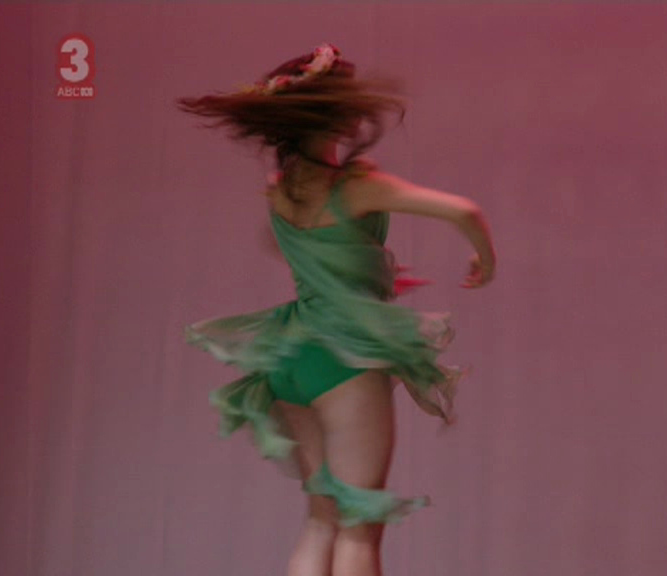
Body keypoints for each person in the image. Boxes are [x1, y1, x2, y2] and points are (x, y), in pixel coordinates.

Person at [177, 44, 496, 576]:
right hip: (343, 360)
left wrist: (360, 276)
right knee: (358, 530)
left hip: (293, 357)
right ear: (334, 115)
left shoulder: (281, 191)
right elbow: (465, 211)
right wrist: (485, 261)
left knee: (320, 520)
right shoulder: (355, 187)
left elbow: (299, 249)